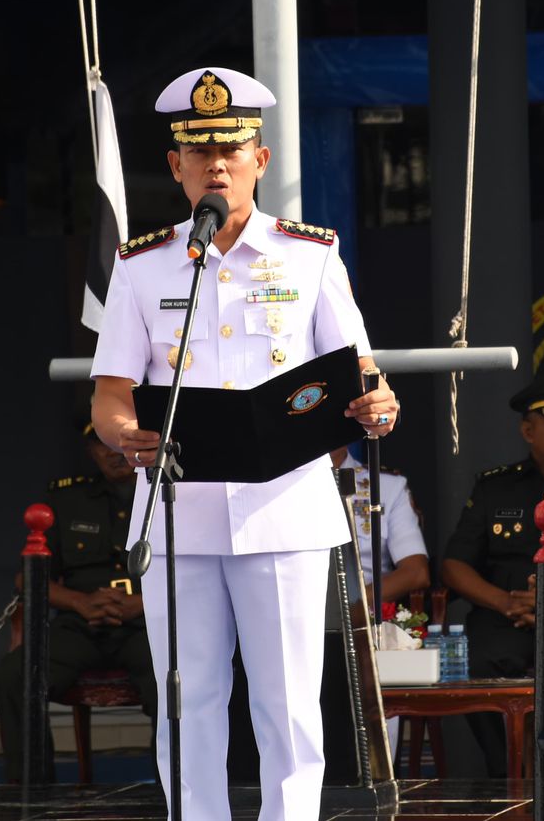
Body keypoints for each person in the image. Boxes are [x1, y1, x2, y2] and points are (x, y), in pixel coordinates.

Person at [90, 67, 399, 821]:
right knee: (188, 698)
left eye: (230, 150)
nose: (216, 166)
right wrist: (125, 434)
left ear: (260, 160)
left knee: (288, 700)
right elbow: (110, 394)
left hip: (284, 509)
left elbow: (360, 371)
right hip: (179, 512)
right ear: (176, 166)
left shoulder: (309, 255)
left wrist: (378, 403)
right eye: (199, 153)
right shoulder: (141, 266)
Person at [440, 366, 544, 778]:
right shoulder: (495, 487)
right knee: (476, 661)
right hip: (506, 618)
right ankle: (506, 773)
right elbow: (454, 566)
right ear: (527, 431)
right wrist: (505, 602)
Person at [0, 423, 156, 782]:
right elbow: (28, 578)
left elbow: (196, 574)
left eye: (122, 442)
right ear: (91, 451)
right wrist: (80, 602)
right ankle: (31, 791)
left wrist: (143, 603)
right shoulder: (67, 499)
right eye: (103, 443)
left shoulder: (166, 496)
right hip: (82, 624)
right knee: (14, 675)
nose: (113, 452)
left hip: (147, 624)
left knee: (177, 681)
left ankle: (174, 794)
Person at [346, 444, 430, 603]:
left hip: (364, 610)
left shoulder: (386, 486)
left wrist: (350, 608)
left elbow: (416, 572)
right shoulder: (291, 486)